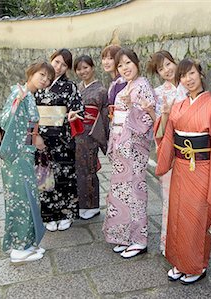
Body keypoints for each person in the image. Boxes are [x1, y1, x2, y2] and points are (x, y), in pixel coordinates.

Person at [155, 58, 211, 284]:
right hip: (181, 168)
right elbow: (168, 136)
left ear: (200, 74)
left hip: (203, 168)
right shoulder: (178, 106)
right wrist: (164, 115)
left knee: (197, 217)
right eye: (183, 76)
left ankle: (196, 265)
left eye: (192, 73)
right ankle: (179, 262)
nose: (188, 79)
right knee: (178, 216)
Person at [0, 61, 55, 263]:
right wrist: (16, 105)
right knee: (21, 199)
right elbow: (5, 121)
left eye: (48, 78)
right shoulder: (19, 93)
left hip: (25, 153)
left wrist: (35, 139)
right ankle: (19, 249)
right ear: (31, 73)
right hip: (17, 154)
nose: (45, 80)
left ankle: (28, 243)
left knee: (28, 197)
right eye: (42, 75)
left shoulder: (29, 96)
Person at [102, 48, 156, 259]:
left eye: (128, 63)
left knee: (134, 193)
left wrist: (133, 108)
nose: (125, 68)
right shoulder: (127, 86)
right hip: (121, 149)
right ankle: (124, 235)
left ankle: (139, 240)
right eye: (120, 65)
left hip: (133, 149)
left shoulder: (142, 85)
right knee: (121, 193)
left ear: (136, 62)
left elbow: (148, 119)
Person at [35, 49, 84, 232]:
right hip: (42, 139)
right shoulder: (40, 83)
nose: (59, 67)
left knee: (65, 177)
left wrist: (73, 114)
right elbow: (31, 111)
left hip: (62, 139)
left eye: (64, 64)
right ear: (51, 60)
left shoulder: (70, 86)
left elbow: (80, 109)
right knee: (45, 177)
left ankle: (66, 213)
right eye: (56, 62)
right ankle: (48, 215)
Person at [146, 50, 187, 255]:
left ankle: (187, 244)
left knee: (189, 199)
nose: (167, 70)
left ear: (175, 63)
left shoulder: (188, 86)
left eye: (169, 64)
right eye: (161, 69)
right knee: (169, 198)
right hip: (170, 149)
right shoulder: (158, 92)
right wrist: (159, 114)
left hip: (190, 150)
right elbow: (158, 128)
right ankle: (169, 243)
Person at [73, 55, 109, 220]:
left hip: (91, 134)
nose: (83, 71)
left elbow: (104, 116)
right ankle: (81, 204)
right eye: (79, 69)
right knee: (78, 169)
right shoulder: (77, 87)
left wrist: (102, 139)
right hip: (76, 133)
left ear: (93, 67)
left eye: (86, 67)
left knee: (89, 169)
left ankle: (92, 206)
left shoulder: (101, 91)